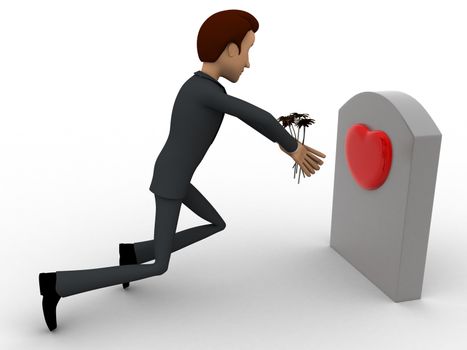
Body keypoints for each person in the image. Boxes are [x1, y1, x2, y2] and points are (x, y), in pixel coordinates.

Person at [38, 9, 326, 331]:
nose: (247, 63)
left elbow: (249, 115)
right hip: (171, 181)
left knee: (216, 223)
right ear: (230, 50)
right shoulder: (202, 91)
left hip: (176, 177)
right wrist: (291, 145)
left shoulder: (204, 89)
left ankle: (133, 253)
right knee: (160, 266)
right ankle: (58, 285)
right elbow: (253, 114)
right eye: (246, 52)